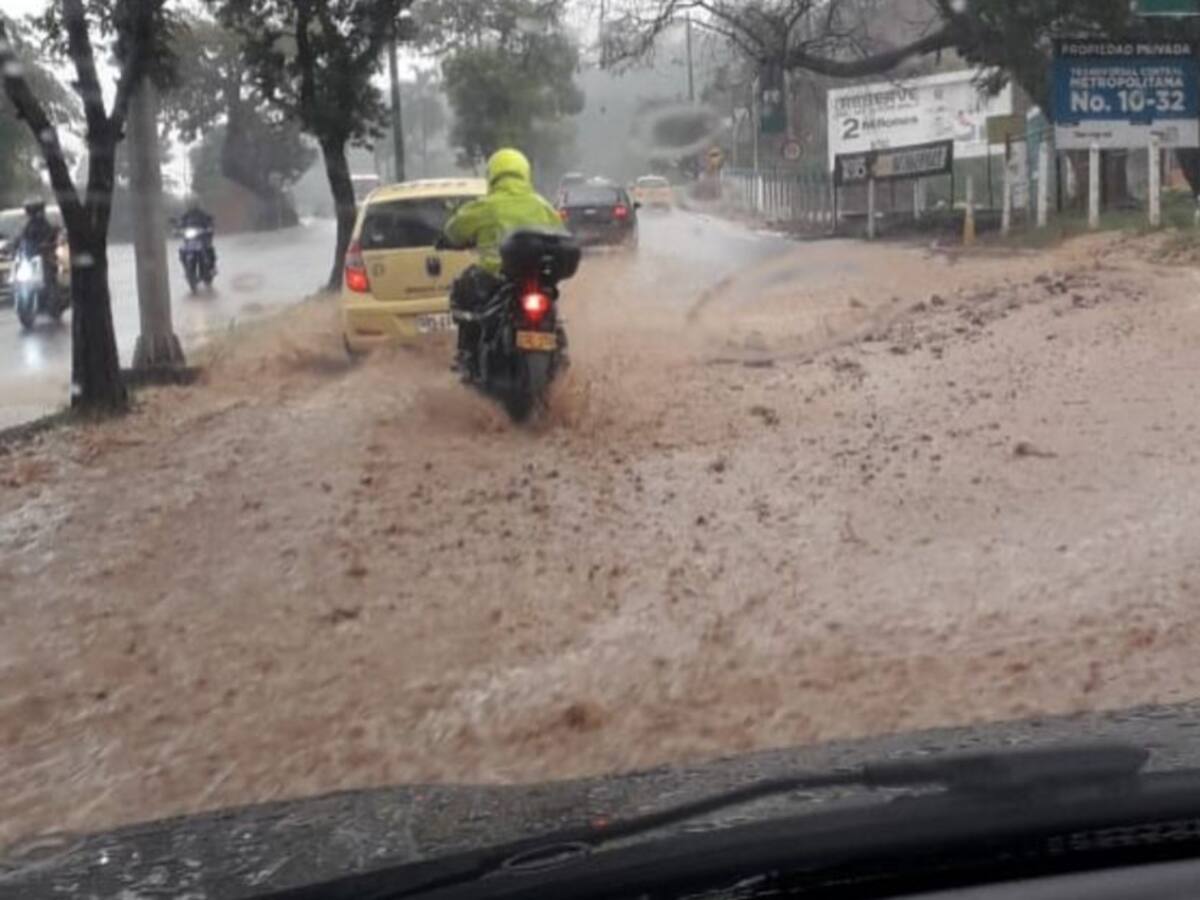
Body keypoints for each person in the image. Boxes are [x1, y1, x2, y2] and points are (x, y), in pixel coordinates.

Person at [440, 148, 565, 374]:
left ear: (493, 175)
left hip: (494, 277)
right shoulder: (542, 205)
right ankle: (561, 354)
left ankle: (466, 355)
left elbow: (454, 231)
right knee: (553, 315)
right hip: (535, 277)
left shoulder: (484, 206)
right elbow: (562, 233)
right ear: (525, 173)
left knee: (463, 291)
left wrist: (448, 240)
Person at [19, 200, 60, 279]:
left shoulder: (45, 225)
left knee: (49, 274)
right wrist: (16, 245)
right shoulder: (29, 225)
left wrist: (47, 245)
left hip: (44, 257)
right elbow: (23, 237)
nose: (29, 214)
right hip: (31, 256)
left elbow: (52, 238)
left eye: (31, 211)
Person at [179, 201, 217, 274]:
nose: (191, 206)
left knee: (209, 248)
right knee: (182, 250)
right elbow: (181, 223)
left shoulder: (202, 214)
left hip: (202, 237)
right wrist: (177, 228)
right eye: (190, 204)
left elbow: (209, 221)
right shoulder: (186, 215)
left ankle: (212, 267)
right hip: (190, 239)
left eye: (193, 204)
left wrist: (209, 227)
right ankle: (185, 268)